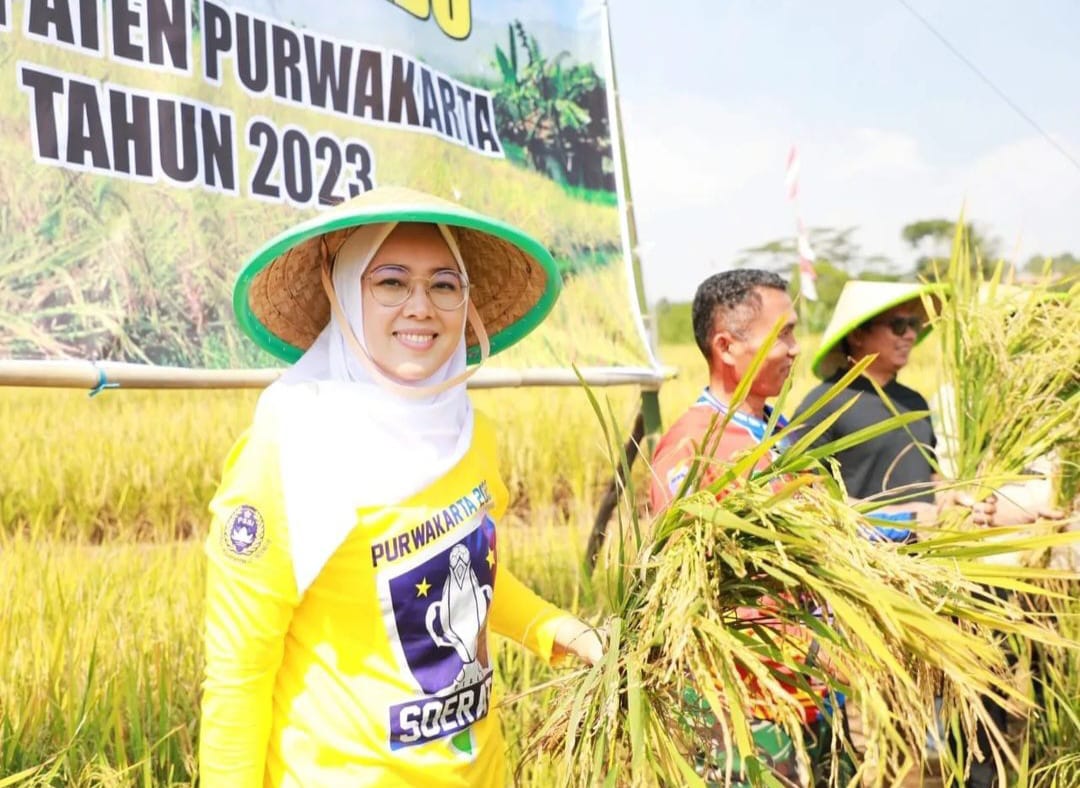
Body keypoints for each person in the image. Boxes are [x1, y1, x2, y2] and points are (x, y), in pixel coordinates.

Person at [198, 186, 603, 787]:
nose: (421, 307)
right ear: (345, 294)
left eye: (444, 285)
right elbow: (238, 675)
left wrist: (554, 628)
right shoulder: (288, 452)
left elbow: (467, 573)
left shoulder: (470, 434)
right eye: (391, 282)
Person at [793, 280, 1000, 787]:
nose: (910, 335)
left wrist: (958, 499)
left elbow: (925, 479)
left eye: (915, 326)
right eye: (898, 325)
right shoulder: (827, 403)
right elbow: (800, 494)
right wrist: (894, 520)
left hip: (923, 585)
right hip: (864, 591)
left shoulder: (914, 402)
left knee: (919, 717)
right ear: (858, 335)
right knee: (868, 728)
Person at [650, 269, 849, 786]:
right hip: (746, 710)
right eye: (782, 333)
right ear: (726, 346)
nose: (795, 348)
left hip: (814, 694)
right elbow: (692, 591)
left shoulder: (780, 434)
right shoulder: (695, 448)